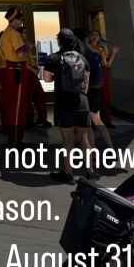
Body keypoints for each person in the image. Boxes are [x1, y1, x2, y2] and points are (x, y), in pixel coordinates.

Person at [43, 28, 96, 184]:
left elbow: (46, 79)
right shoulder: (82, 58)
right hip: (82, 103)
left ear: (59, 42)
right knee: (84, 138)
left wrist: (57, 78)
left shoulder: (53, 58)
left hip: (64, 103)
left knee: (68, 142)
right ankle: (90, 171)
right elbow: (86, 83)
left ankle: (68, 173)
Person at [0, 7, 29, 149]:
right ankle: (15, 141)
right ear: (14, 20)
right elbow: (20, 54)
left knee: (11, 106)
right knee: (18, 107)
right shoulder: (14, 34)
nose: (21, 22)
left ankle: (14, 139)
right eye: (20, 19)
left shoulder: (5, 33)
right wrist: (27, 48)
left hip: (9, 70)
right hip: (16, 70)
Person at [85, 29, 116, 150]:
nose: (94, 37)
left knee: (105, 97)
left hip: (103, 73)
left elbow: (107, 64)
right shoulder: (87, 48)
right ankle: (93, 122)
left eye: (96, 35)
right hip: (93, 74)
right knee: (93, 99)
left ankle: (105, 119)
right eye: (92, 35)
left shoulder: (102, 49)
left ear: (99, 38)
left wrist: (113, 53)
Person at [21, 26, 51, 128]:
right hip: (26, 72)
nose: (26, 34)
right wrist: (33, 70)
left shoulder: (27, 43)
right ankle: (29, 119)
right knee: (28, 96)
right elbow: (22, 61)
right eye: (24, 32)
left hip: (33, 72)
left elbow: (30, 59)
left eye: (26, 32)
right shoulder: (18, 45)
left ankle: (42, 118)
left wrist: (36, 68)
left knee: (39, 95)